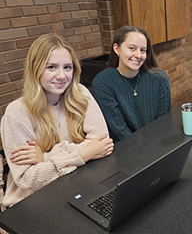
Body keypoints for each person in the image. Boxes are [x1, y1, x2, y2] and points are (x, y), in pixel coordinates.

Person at [0, 33, 114, 209]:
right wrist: (82, 154)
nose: (62, 76)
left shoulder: (80, 93)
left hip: (74, 185)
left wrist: (45, 157)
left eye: (67, 67)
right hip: (31, 201)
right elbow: (28, 179)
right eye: (51, 67)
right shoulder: (16, 114)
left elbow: (101, 143)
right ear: (35, 69)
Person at [91, 25, 171, 143]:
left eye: (143, 50)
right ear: (116, 49)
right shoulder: (102, 82)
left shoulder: (160, 79)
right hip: (125, 149)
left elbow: (163, 122)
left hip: (157, 144)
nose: (138, 55)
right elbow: (118, 129)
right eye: (132, 48)